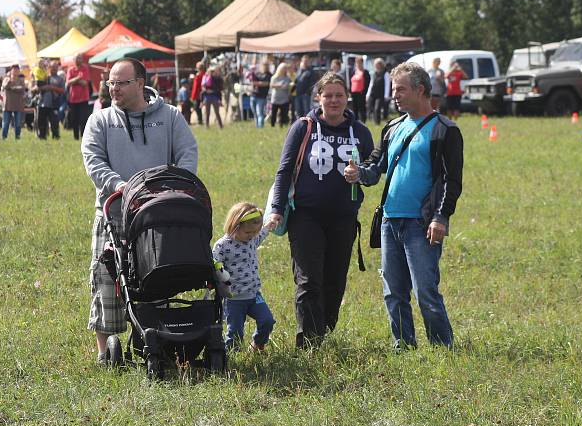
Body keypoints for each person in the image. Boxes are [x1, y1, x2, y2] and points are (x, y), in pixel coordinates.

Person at [81, 57, 198, 366]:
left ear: (141, 83)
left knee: (156, 279)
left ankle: (155, 342)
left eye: (121, 82)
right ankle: (105, 353)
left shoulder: (170, 117)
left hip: (157, 217)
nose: (113, 88)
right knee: (106, 282)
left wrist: (175, 186)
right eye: (110, 83)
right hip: (115, 214)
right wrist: (123, 187)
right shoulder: (101, 120)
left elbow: (187, 152)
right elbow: (93, 160)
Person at [344, 62, 463, 349]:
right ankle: (403, 346)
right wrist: (359, 173)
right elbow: (376, 167)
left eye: (400, 89)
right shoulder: (392, 127)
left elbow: (451, 181)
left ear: (421, 90)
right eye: (393, 89)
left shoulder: (445, 130)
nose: (394, 95)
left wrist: (440, 217)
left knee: (425, 291)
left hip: (421, 224)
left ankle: (442, 346)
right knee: (393, 291)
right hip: (389, 220)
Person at [268, 71, 374, 348]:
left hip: (343, 217)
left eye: (340, 95)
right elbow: (284, 171)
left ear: (347, 98)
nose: (334, 100)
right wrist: (277, 208)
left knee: (335, 281)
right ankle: (309, 342)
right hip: (306, 215)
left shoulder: (360, 132)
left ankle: (324, 331)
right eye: (328, 95)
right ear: (318, 98)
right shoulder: (303, 127)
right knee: (308, 280)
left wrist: (360, 173)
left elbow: (373, 172)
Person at [212, 202, 276, 352]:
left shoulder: (252, 239)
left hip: (254, 295)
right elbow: (215, 262)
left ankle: (257, 344)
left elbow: (261, 234)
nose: (252, 236)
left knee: (267, 321)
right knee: (235, 332)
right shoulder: (223, 245)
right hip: (234, 298)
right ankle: (231, 357)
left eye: (255, 232)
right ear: (234, 226)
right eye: (248, 233)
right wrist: (220, 274)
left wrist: (268, 226)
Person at [35, 60, 65, 139]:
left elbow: (62, 90)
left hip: (53, 104)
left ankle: (55, 137)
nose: (54, 69)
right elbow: (36, 88)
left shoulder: (60, 79)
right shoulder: (44, 77)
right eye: (52, 67)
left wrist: (52, 88)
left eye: (55, 67)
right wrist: (41, 88)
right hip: (42, 102)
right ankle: (42, 137)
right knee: (41, 121)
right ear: (49, 68)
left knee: (54, 122)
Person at [66, 54, 92, 140]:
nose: (78, 60)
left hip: (84, 98)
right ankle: (76, 137)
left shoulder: (85, 69)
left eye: (80, 58)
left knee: (83, 118)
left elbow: (85, 83)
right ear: (74, 60)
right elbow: (68, 83)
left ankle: (83, 136)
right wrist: (78, 78)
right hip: (73, 99)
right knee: (74, 119)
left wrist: (74, 80)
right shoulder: (70, 70)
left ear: (82, 59)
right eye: (77, 58)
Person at [1, 66, 25, 140]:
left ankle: (17, 138)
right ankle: (4, 138)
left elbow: (22, 89)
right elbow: (5, 86)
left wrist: (12, 88)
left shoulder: (21, 81)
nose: (15, 72)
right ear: (11, 71)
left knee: (18, 124)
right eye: (14, 70)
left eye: (17, 70)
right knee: (6, 123)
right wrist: (10, 82)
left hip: (18, 105)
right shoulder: (6, 79)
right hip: (7, 105)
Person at [366, 58, 390, 125]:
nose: (377, 66)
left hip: (381, 94)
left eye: (379, 64)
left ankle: (378, 123)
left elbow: (387, 85)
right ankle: (374, 121)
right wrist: (367, 95)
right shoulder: (374, 73)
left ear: (382, 65)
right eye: (376, 64)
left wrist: (386, 96)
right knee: (372, 107)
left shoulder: (386, 74)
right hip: (373, 93)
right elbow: (371, 84)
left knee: (377, 108)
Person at [269, 62, 291, 127]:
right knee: (274, 113)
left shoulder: (287, 78)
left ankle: (282, 125)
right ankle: (272, 125)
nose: (285, 70)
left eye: (286, 68)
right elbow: (271, 85)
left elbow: (288, 86)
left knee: (283, 113)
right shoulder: (274, 77)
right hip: (275, 98)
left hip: (284, 98)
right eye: (284, 68)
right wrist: (280, 85)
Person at [251, 61, 271, 128]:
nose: (264, 67)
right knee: (255, 113)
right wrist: (259, 83)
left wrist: (257, 83)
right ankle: (257, 126)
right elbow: (253, 82)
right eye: (263, 65)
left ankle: (260, 127)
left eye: (266, 65)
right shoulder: (257, 73)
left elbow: (266, 83)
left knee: (260, 113)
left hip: (262, 97)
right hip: (253, 95)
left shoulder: (269, 75)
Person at [350, 57, 371, 122]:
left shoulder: (365, 72)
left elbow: (367, 82)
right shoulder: (354, 72)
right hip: (354, 93)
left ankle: (363, 121)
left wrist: (364, 92)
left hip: (361, 93)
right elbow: (351, 82)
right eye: (357, 63)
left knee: (361, 108)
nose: (358, 64)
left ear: (362, 63)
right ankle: (355, 121)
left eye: (359, 63)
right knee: (354, 108)